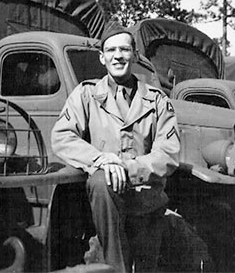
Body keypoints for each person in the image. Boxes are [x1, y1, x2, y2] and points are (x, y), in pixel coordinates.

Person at [51, 21, 180, 272]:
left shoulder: (157, 101)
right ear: (102, 58)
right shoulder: (86, 95)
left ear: (134, 54)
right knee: (100, 180)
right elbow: (62, 135)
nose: (118, 56)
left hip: (147, 201)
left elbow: (169, 152)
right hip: (105, 210)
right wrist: (100, 159)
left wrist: (126, 168)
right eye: (111, 51)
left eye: (124, 49)